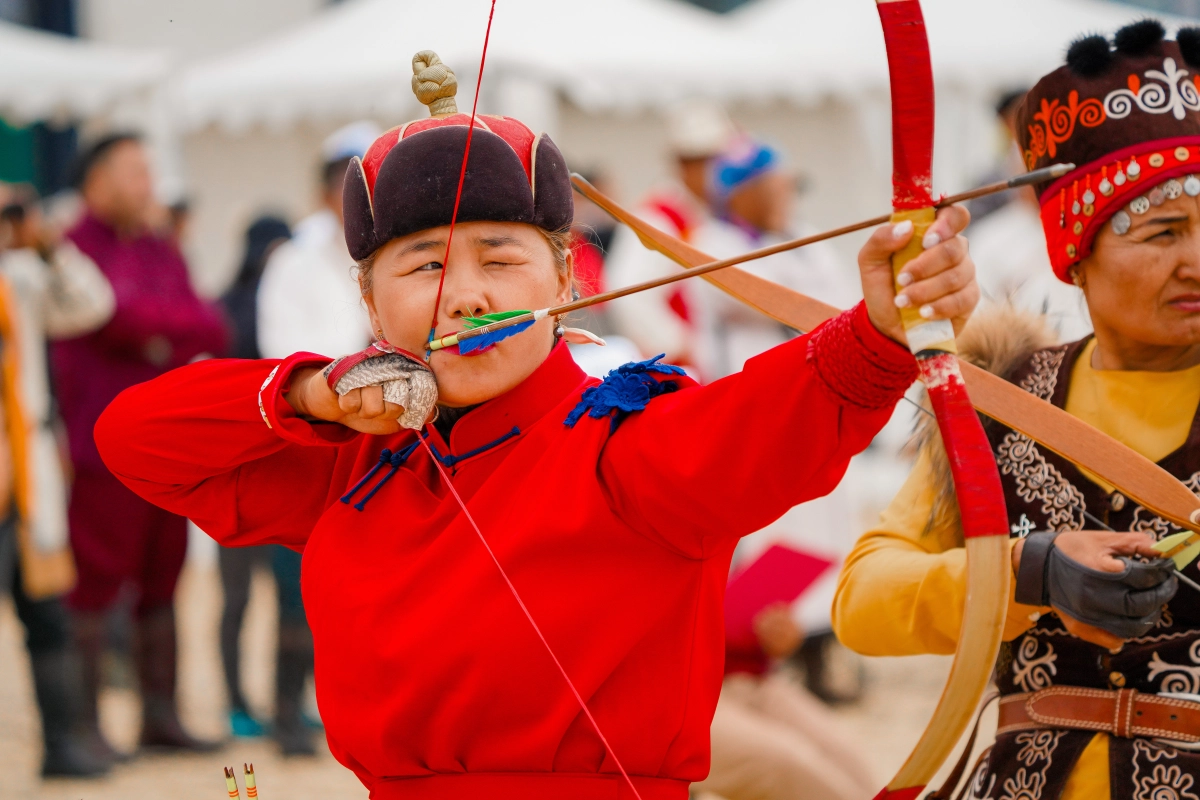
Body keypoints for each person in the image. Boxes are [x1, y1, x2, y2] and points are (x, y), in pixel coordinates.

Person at [93, 51, 977, 798]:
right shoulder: (351, 460)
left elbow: (770, 417)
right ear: (369, 300)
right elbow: (133, 437)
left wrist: (881, 334)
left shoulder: (624, 429)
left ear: (566, 279)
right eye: (423, 264)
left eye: (501, 257)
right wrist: (315, 395)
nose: (466, 294)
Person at [833, 21, 1200, 799]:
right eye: (1165, 231)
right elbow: (861, 598)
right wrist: (1024, 572)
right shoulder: (1005, 395)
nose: (1194, 261)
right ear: (1079, 255)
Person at [52, 133, 228, 756]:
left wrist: (147, 328)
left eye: (148, 171)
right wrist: (155, 327)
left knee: (163, 579)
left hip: (168, 449)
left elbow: (208, 322)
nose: (147, 184)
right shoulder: (71, 250)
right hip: (96, 448)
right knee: (95, 586)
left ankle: (160, 716)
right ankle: (83, 726)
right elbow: (108, 317)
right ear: (95, 181)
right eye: (133, 172)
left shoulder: (159, 247)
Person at [0, 184, 114, 776]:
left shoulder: (18, 277)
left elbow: (91, 305)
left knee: (46, 613)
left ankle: (61, 746)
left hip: (24, 480)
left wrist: (45, 243)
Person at [217, 215, 292, 741]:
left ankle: (286, 702)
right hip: (237, 468)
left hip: (287, 467)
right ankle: (236, 701)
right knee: (237, 595)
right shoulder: (229, 309)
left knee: (291, 595)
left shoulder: (297, 301)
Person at [691, 603, 875, 800]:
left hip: (748, 676)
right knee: (787, 767)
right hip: (676, 695)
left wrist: (777, 632)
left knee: (842, 753)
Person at [605, 100, 736, 366]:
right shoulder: (659, 217)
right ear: (682, 164)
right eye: (705, 163)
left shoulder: (707, 214)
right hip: (684, 372)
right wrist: (678, 348)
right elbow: (628, 295)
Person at [256, 122, 379, 361]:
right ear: (324, 195)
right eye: (350, 187)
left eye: (372, 184)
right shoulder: (292, 262)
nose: (364, 197)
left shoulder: (403, 251)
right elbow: (279, 346)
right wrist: (362, 345)